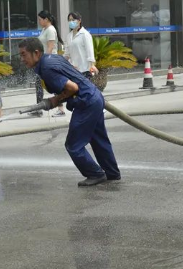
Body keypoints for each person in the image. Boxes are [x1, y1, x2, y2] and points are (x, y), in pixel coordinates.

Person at [18, 37, 121, 187]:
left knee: (73, 145)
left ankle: (95, 173)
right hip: (95, 97)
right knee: (99, 140)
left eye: (23, 54)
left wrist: (56, 100)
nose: (22, 59)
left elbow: (73, 88)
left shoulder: (46, 68)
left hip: (86, 102)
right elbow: (74, 72)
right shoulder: (51, 58)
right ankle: (112, 173)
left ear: (36, 53)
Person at [32, 10, 65, 117]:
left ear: (46, 19)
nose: (39, 21)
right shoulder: (44, 29)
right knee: (38, 84)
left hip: (49, 62)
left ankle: (61, 109)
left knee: (54, 84)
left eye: (40, 19)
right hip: (44, 61)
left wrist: (44, 61)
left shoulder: (50, 30)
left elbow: (50, 47)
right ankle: (38, 108)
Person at [64, 12, 98, 80]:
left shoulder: (85, 34)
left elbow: (90, 51)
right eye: (69, 20)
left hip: (85, 70)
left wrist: (92, 65)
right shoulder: (69, 36)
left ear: (79, 21)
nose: (71, 22)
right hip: (73, 70)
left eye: (73, 20)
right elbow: (67, 54)